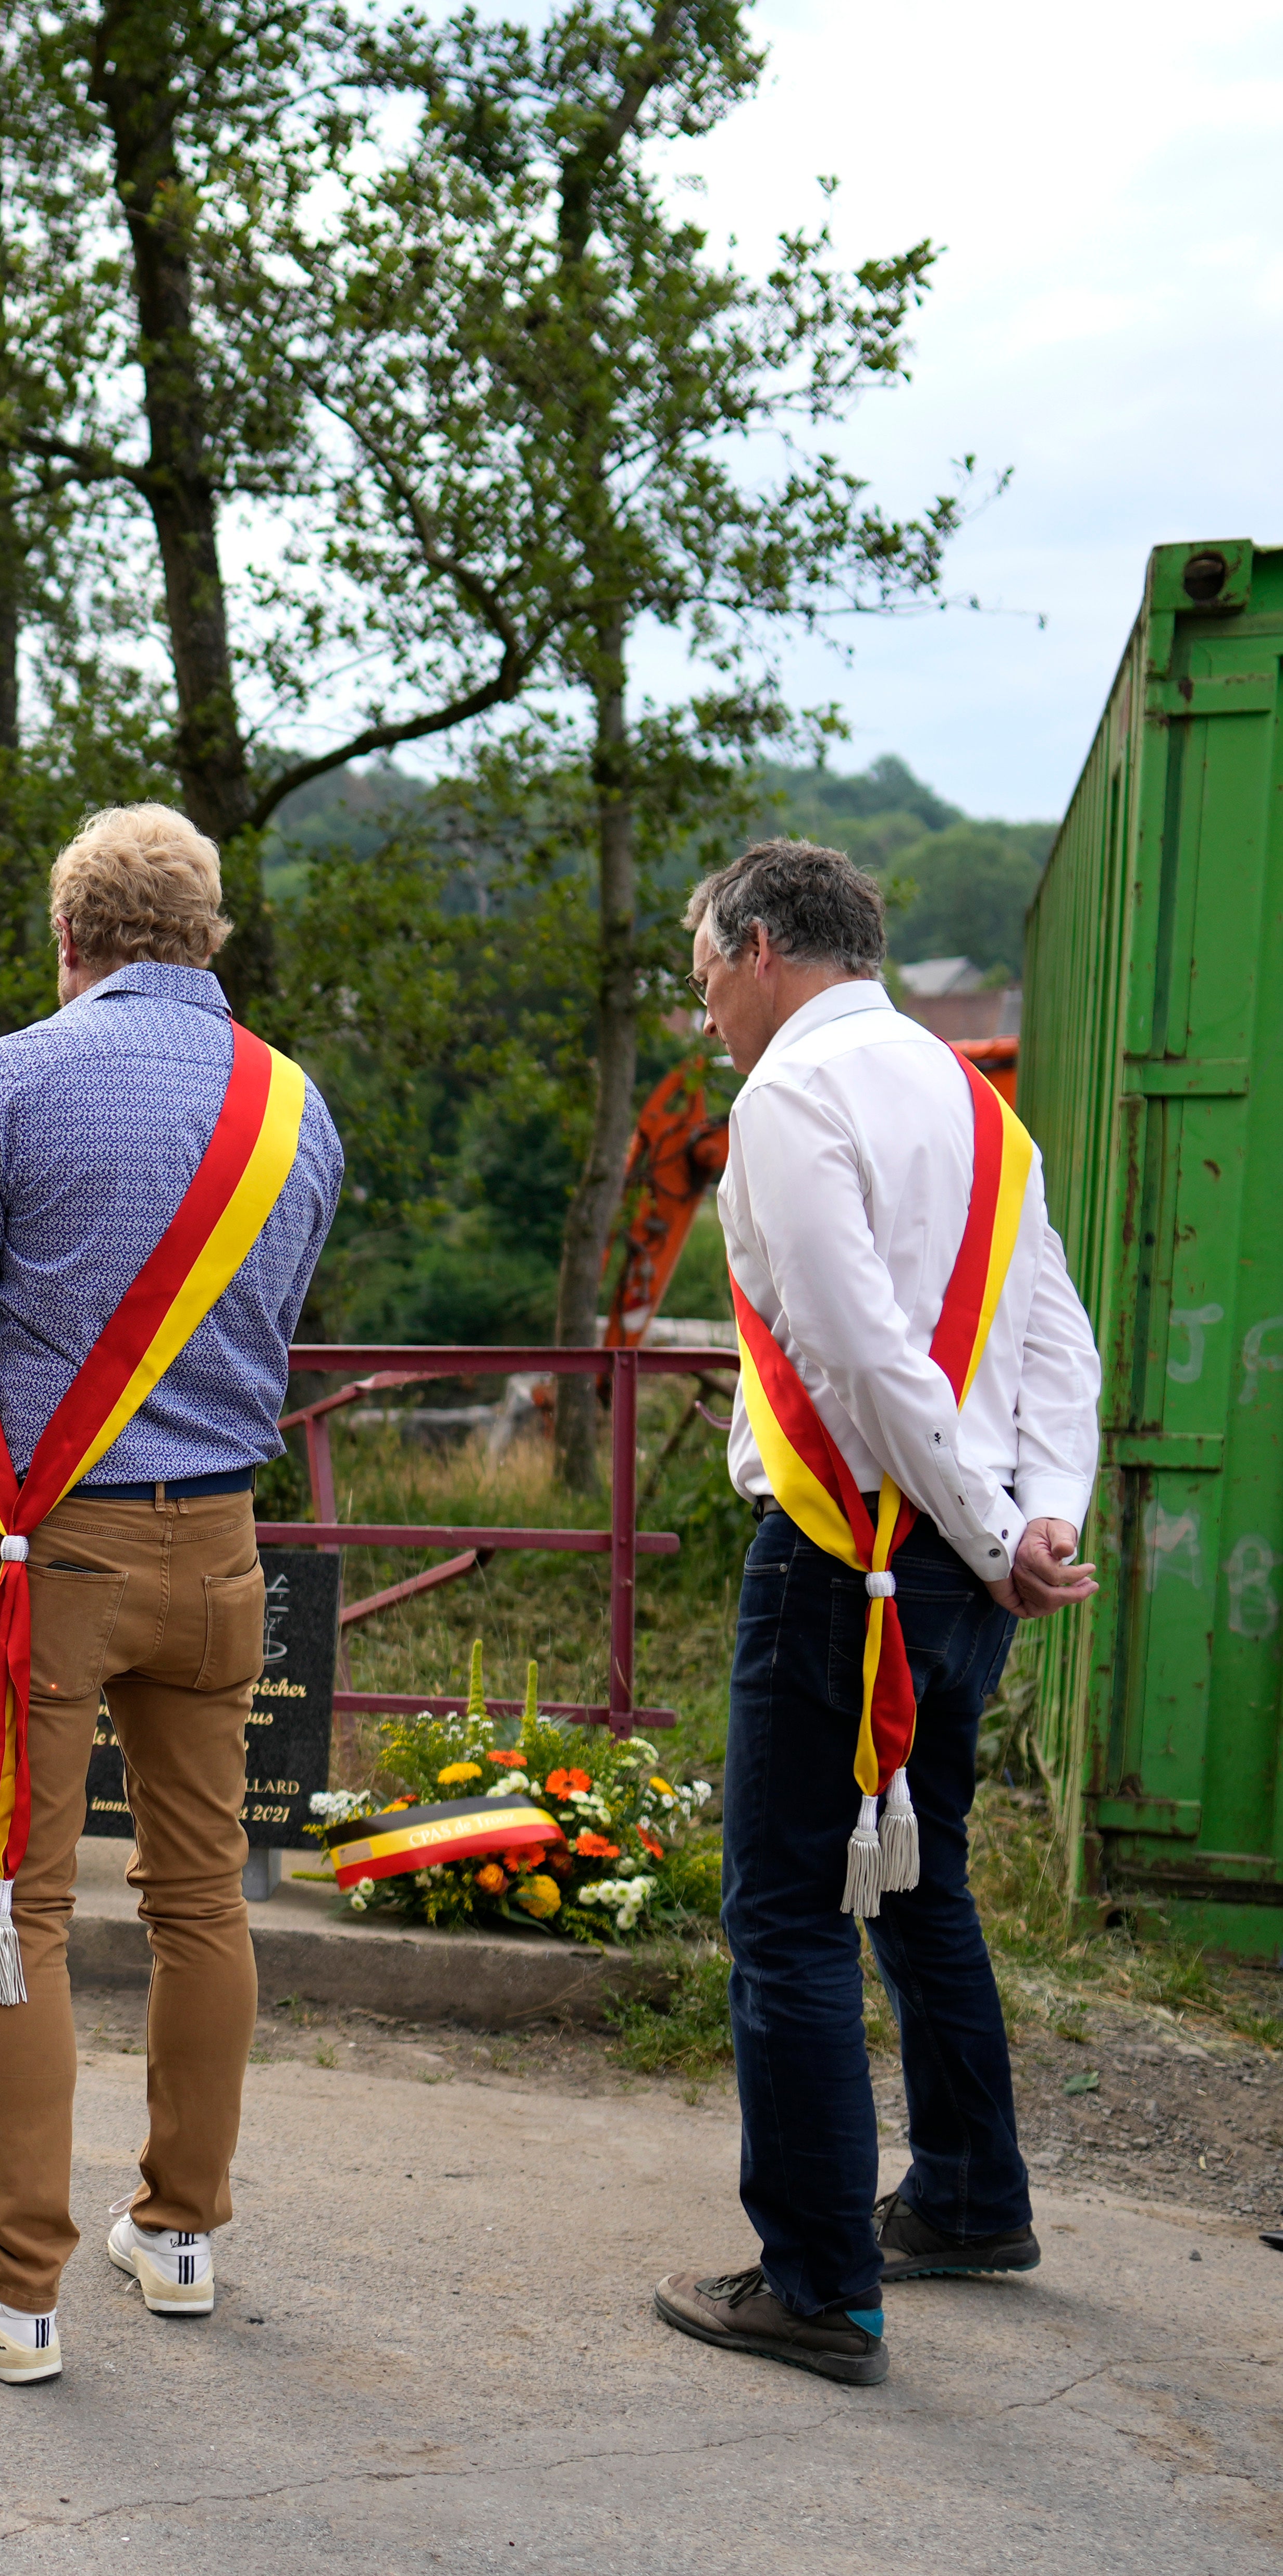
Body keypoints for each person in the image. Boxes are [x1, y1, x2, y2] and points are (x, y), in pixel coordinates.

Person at [0, 803, 344, 2387]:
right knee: (202, 1896)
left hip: (44, 1545)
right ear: (208, 935)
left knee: (12, 1904)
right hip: (220, 1545)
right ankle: (181, 2236)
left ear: (71, 938)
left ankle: (16, 2291)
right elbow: (275, 1319)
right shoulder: (295, 1104)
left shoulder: (13, 1079)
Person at [652, 840, 1099, 2388]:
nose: (706, 1009)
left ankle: (819, 2287)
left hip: (853, 1553)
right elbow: (1059, 1346)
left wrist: (986, 1527)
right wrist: (1039, 1519)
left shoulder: (789, 1097)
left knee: (784, 1913)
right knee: (920, 1884)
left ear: (760, 948)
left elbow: (855, 1353)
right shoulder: (981, 1106)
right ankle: (969, 2197)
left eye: (705, 975)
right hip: (966, 1569)